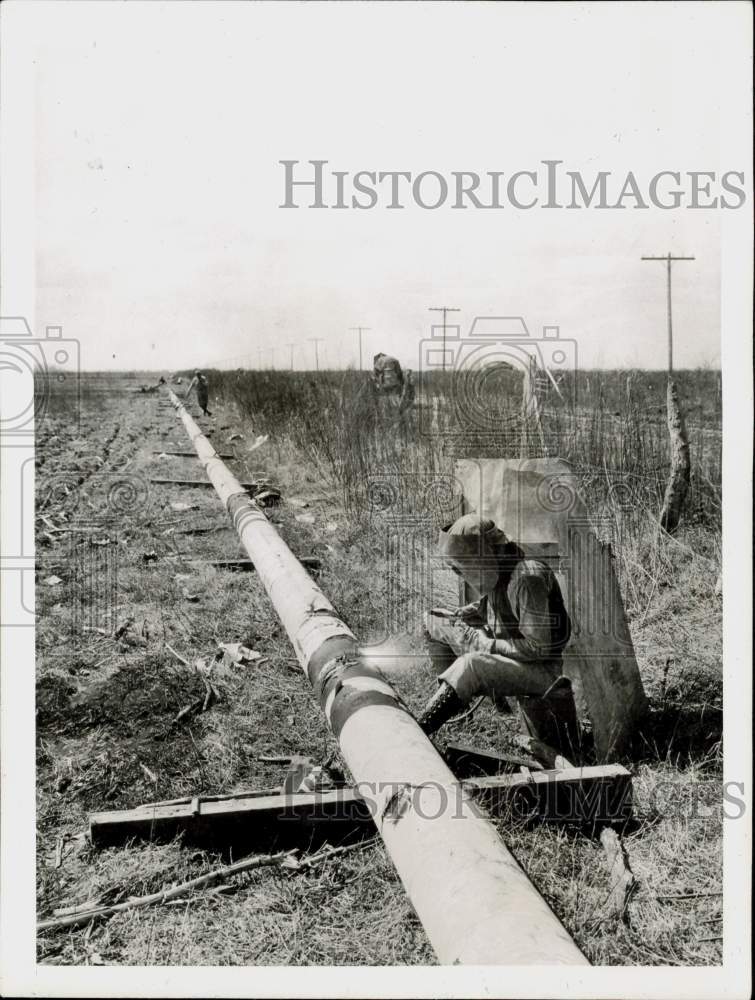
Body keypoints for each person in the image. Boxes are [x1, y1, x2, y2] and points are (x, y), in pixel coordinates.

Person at [417, 514, 573, 747]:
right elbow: (502, 604)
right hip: (516, 654)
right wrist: (475, 611)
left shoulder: (527, 578)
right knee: (433, 621)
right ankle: (462, 712)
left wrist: (486, 644)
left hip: (546, 672)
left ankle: (419, 734)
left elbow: (538, 648)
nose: (460, 572)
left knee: (472, 665)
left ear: (490, 552)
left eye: (464, 564)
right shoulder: (504, 567)